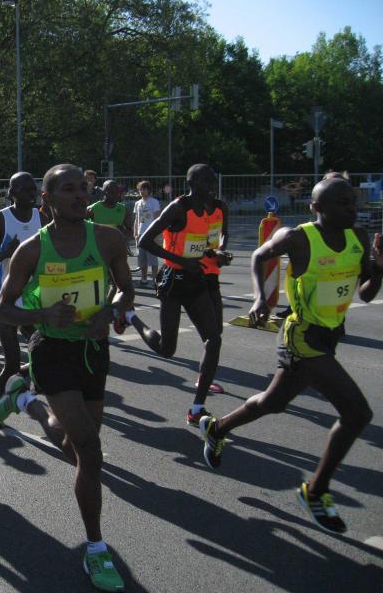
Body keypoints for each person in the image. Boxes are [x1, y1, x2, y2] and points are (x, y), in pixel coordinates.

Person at [200, 178, 381, 534]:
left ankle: (216, 428)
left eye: (353, 201)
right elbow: (259, 255)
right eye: (343, 202)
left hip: (330, 336)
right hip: (302, 336)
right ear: (317, 208)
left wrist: (378, 269)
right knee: (358, 413)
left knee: (273, 402)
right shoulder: (298, 238)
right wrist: (259, 298)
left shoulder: (358, 238)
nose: (352, 208)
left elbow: (366, 293)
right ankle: (315, 492)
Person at [0, 164, 133, 591]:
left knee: (79, 450)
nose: (79, 195)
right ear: (47, 200)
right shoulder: (32, 250)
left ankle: (27, 404)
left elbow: (126, 290)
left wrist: (111, 311)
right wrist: (42, 315)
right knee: (90, 451)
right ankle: (96, 549)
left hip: (93, 352)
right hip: (51, 352)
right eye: (68, 189)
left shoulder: (108, 239)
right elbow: (1, 310)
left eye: (82, 188)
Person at [126, 164, 231, 425]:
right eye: (206, 182)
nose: (212, 186)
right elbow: (145, 241)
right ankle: (131, 317)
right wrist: (182, 261)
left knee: (214, 339)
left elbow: (206, 242)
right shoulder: (177, 208)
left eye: (213, 181)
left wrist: (217, 253)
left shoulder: (213, 209)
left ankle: (197, 408)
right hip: (173, 280)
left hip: (198, 280)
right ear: (192, 184)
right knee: (166, 349)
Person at [0, 172, 48, 426]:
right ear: (12, 193)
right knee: (12, 363)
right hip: (4, 301)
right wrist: (5, 253)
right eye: (26, 190)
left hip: (32, 300)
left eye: (34, 189)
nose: (33, 193)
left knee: (47, 352)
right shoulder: (0, 220)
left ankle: (20, 389)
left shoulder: (41, 217)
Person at [133, 181, 161, 286]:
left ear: (149, 190)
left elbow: (158, 219)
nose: (142, 191)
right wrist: (135, 233)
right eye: (140, 189)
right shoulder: (137, 203)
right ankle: (143, 279)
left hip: (151, 234)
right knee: (142, 259)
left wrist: (156, 234)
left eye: (144, 189)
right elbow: (136, 219)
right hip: (140, 234)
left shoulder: (154, 202)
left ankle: (155, 281)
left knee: (153, 259)